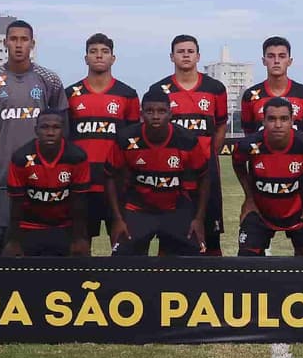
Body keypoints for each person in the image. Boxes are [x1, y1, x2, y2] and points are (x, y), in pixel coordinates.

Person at [0, 20, 68, 256]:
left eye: (24, 39)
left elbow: (64, 127)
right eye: (13, 39)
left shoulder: (49, 79)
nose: (18, 45)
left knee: (41, 239)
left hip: (44, 175)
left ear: (32, 44)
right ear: (5, 43)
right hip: (3, 175)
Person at [148, 35, 227, 255]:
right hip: (172, 171)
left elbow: (220, 125)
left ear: (198, 56)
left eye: (190, 51)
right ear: (172, 56)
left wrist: (210, 154)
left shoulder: (215, 88)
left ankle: (213, 285)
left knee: (211, 237)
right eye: (180, 51)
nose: (185, 55)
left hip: (205, 171)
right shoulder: (160, 89)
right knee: (170, 235)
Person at [106, 89, 209, 255]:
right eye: (149, 111)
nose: (155, 116)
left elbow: (204, 177)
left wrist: (198, 219)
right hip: (138, 209)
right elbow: (110, 177)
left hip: (175, 209)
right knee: (121, 259)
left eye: (161, 111)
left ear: (170, 114)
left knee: (195, 260)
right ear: (141, 114)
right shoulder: (126, 139)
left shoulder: (187, 139)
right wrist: (118, 218)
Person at [65, 33, 140, 250]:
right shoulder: (71, 94)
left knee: (122, 247)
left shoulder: (127, 94)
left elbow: (133, 144)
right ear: (85, 58)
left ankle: (120, 285)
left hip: (116, 185)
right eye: (93, 52)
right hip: (81, 185)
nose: (99, 56)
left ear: (113, 58)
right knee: (79, 248)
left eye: (105, 52)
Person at [232, 97, 303, 256]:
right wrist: (249, 198)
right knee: (246, 262)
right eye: (271, 119)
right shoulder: (247, 146)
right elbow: (238, 164)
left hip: (300, 211)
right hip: (260, 211)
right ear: (263, 121)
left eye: (284, 119)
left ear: (292, 121)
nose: (277, 125)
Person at [4, 110, 90, 257]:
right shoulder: (21, 158)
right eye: (44, 127)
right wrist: (14, 241)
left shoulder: (77, 157)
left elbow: (79, 202)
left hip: (64, 226)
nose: (50, 132)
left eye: (56, 127)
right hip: (29, 226)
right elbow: (16, 203)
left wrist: (79, 238)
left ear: (63, 130)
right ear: (36, 130)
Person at [241, 37, 303, 135]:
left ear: (289, 61)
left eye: (282, 56)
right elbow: (248, 135)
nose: (276, 61)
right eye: (271, 56)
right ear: (264, 61)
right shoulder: (250, 95)